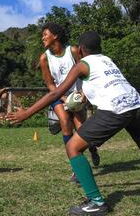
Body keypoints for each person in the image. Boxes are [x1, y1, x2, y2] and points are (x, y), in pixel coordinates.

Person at [7, 31, 140, 215]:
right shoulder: (108, 60)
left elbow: (56, 93)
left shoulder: (82, 64)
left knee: (73, 147)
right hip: (135, 104)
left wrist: (27, 113)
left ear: (80, 49)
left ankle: (96, 202)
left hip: (115, 109)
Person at [39, 22, 101, 183]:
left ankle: (92, 148)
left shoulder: (72, 51)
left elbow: (87, 70)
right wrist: (63, 98)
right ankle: (76, 170)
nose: (42, 37)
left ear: (55, 36)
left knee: (83, 132)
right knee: (65, 122)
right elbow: (49, 83)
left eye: (45, 34)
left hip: (77, 97)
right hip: (58, 96)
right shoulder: (44, 58)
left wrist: (83, 93)